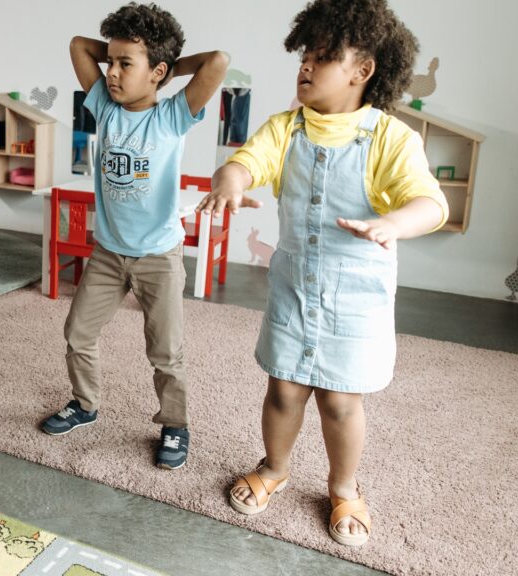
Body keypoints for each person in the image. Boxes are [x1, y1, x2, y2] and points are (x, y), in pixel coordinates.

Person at [200, 0, 448, 547]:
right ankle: (274, 468)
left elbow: (430, 203)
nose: (306, 66)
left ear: (362, 72)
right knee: (284, 390)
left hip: (357, 297)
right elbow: (246, 161)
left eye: (323, 57)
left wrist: (394, 223)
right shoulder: (285, 128)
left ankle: (343, 486)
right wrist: (232, 180)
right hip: (293, 291)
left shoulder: (390, 138)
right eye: (304, 55)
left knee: (340, 399)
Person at [39, 2, 228, 471]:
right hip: (108, 253)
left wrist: (164, 67)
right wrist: (128, 54)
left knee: (165, 350)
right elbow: (78, 45)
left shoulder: (172, 116)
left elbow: (217, 61)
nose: (114, 73)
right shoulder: (104, 104)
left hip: (158, 257)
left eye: (127, 65)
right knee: (77, 331)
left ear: (158, 72)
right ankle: (84, 405)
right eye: (112, 63)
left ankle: (175, 425)